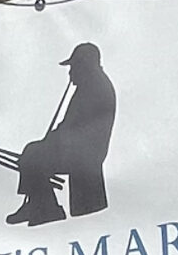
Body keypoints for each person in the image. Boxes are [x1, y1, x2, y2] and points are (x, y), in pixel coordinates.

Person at [7, 42, 115, 225]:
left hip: (82, 152)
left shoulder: (94, 89)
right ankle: (39, 203)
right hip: (78, 149)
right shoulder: (91, 86)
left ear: (84, 66)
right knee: (34, 151)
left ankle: (45, 208)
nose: (70, 72)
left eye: (73, 67)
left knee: (33, 154)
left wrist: (52, 141)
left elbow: (76, 128)